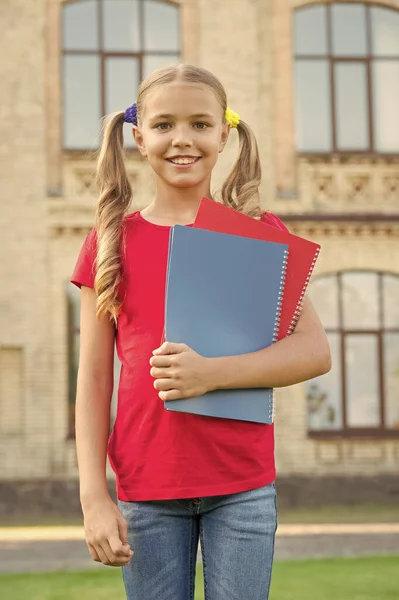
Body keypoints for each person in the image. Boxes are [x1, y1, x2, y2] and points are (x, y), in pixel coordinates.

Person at [71, 64, 331, 600]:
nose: (182, 139)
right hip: (146, 490)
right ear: (139, 137)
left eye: (199, 124)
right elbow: (95, 382)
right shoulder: (110, 242)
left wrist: (211, 375)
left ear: (223, 134)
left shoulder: (257, 233)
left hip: (241, 487)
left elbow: (314, 350)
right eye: (164, 125)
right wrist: (94, 496)